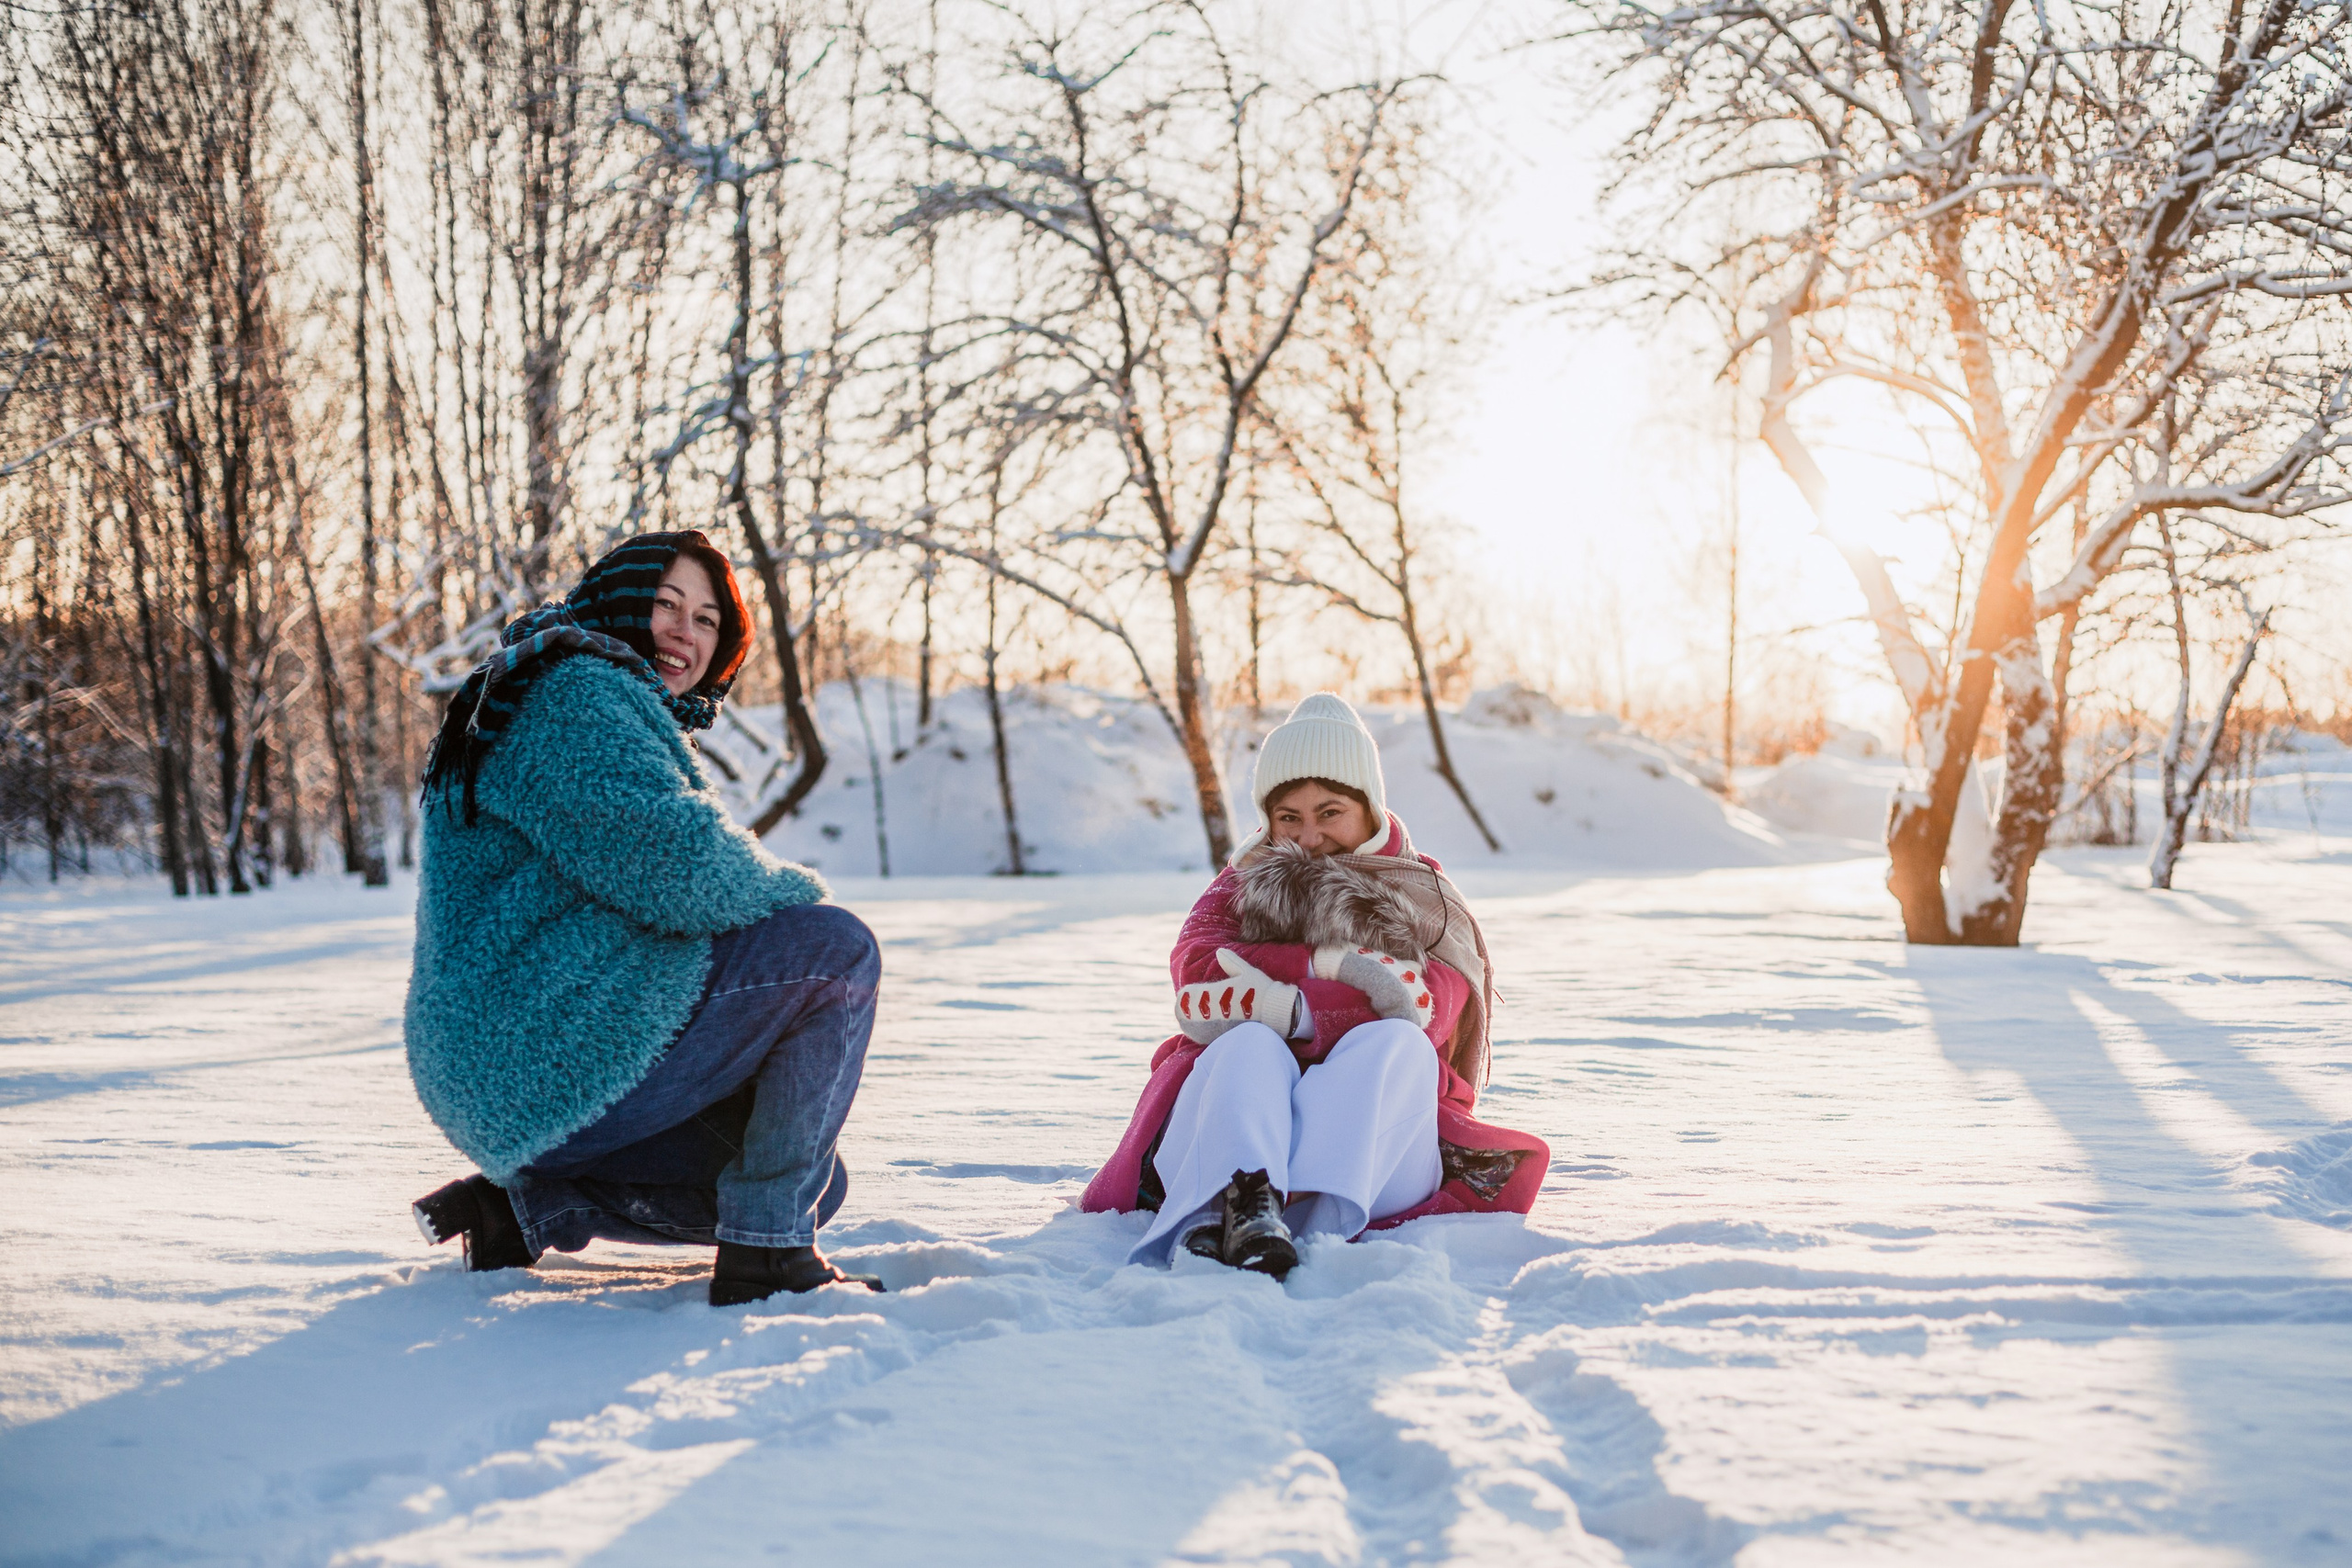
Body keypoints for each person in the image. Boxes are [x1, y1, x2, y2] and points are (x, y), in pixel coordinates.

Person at [402, 530, 884, 1305]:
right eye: (666, 604)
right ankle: (768, 1257)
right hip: (542, 1042)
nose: (685, 633)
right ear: (620, 602)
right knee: (836, 951)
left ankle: (523, 1211)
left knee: (806, 1180)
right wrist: (794, 903)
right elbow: (674, 863)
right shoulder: (573, 694)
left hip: (529, 1054)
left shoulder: (565, 686)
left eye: (707, 620)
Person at [1081, 693, 1548, 1278]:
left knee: (1397, 1042)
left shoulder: (1425, 895)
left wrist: (1296, 1009)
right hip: (1231, 1130)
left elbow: (1425, 1006)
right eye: (1289, 818)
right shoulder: (1242, 880)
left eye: (1329, 813)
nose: (1308, 837)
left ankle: (1303, 1215)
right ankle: (1243, 1209)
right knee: (1247, 1043)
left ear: (1369, 807)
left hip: (1378, 1152)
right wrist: (1332, 967)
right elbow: (1199, 967)